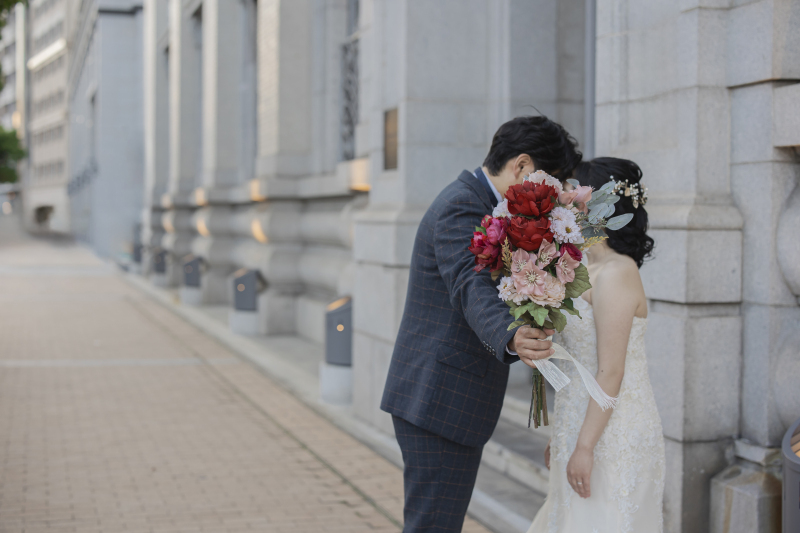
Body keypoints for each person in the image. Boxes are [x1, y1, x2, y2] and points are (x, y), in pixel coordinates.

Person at [380, 115, 582, 532]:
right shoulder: (463, 204)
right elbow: (468, 283)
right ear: (523, 166)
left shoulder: (492, 206)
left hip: (448, 400)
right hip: (438, 400)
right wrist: (511, 336)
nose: (555, 195)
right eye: (553, 180)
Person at [527, 157, 665, 533]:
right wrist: (564, 436)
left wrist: (585, 446)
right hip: (582, 423)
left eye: (576, 188)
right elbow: (577, 367)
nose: (568, 196)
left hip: (615, 435)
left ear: (601, 202)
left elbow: (611, 370)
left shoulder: (619, 273)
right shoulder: (580, 269)